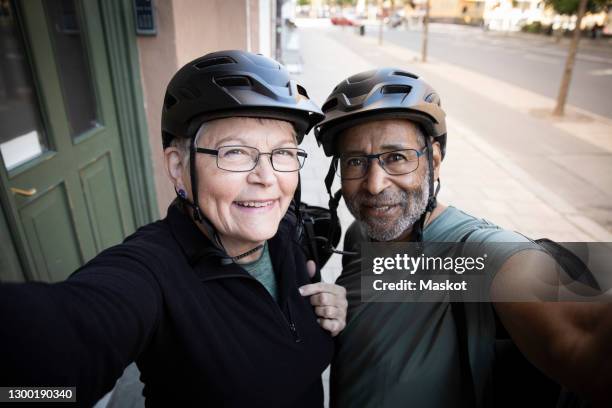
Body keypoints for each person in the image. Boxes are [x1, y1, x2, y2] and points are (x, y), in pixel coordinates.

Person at [0, 50, 347, 407]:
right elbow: (62, 342)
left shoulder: (289, 228)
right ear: (178, 168)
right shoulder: (153, 272)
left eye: (284, 152)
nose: (267, 178)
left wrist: (331, 304)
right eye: (235, 153)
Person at [313, 68, 612, 407]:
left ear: (435, 162)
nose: (374, 184)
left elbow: (583, 340)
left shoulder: (477, 254)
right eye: (355, 162)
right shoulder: (360, 234)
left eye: (396, 158)